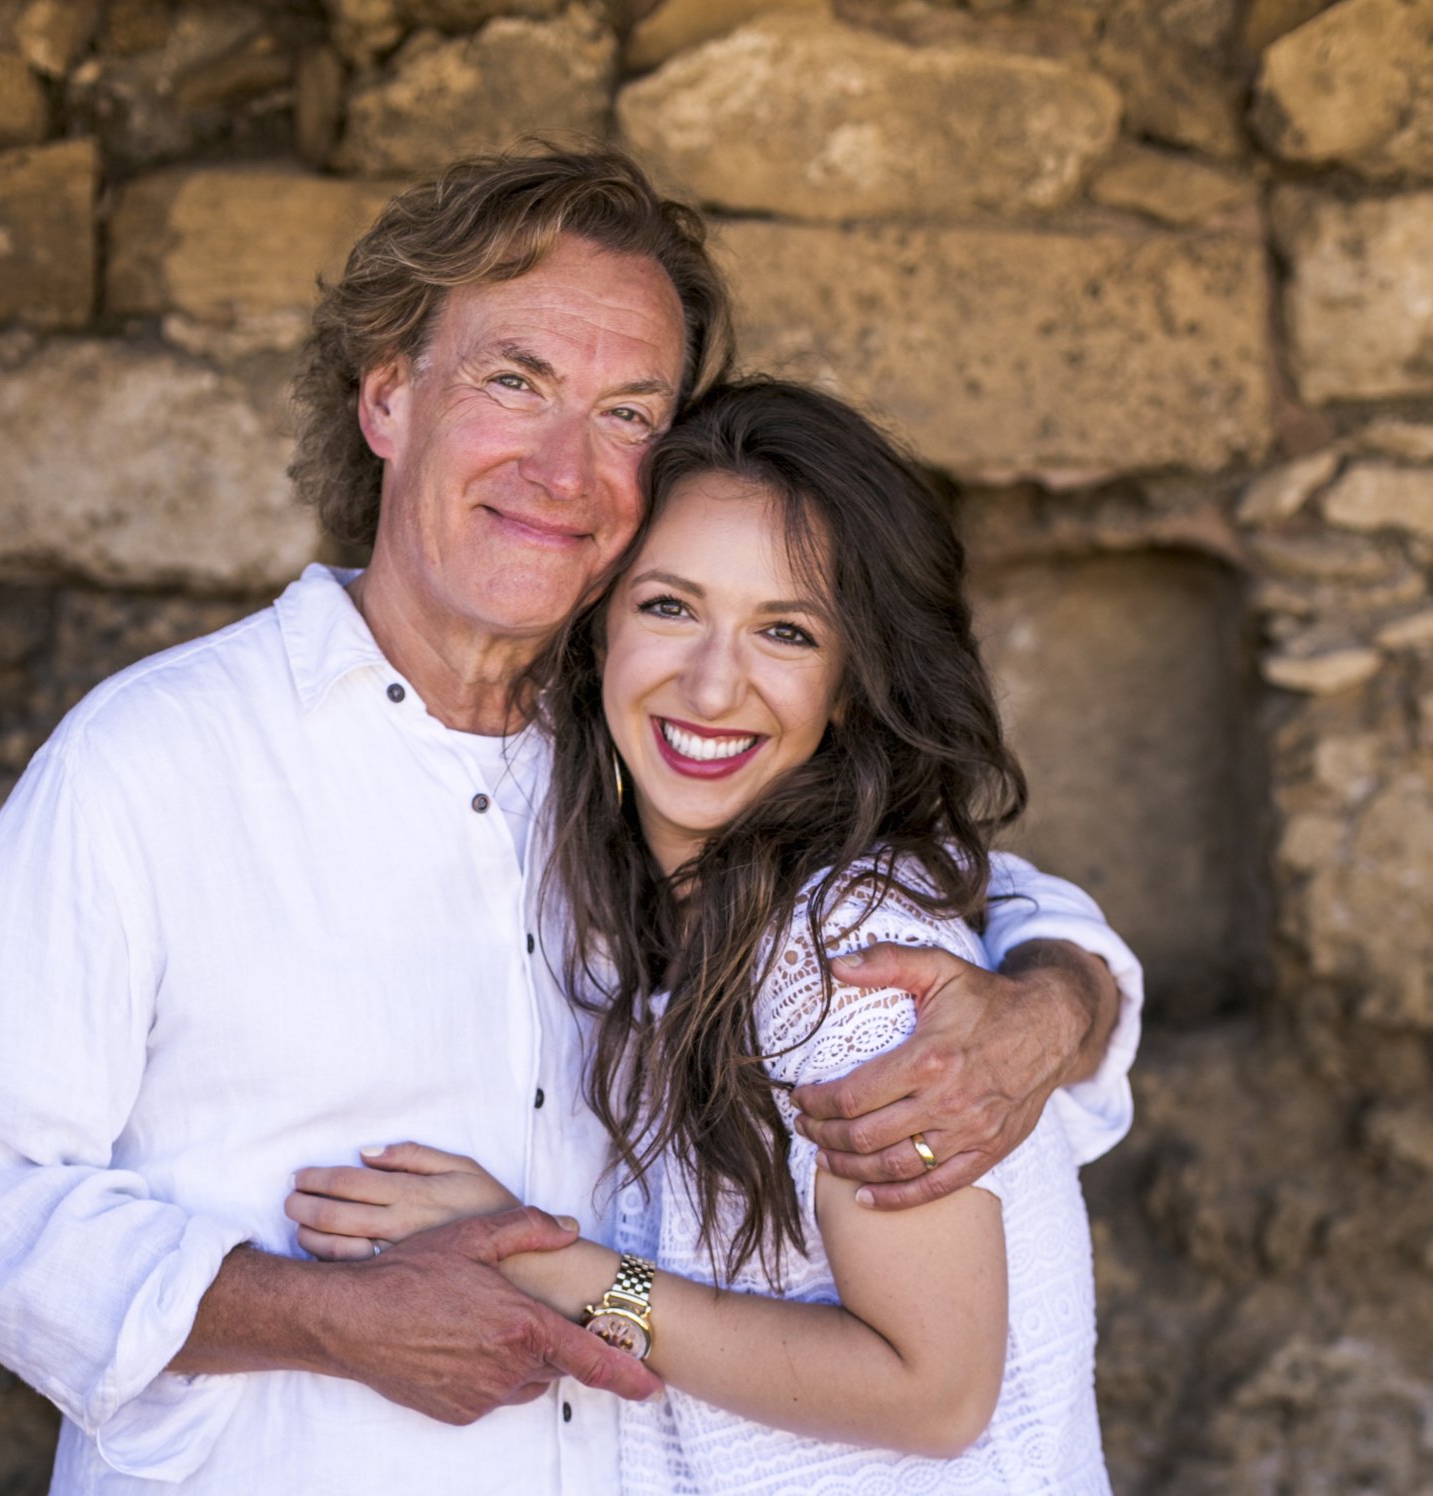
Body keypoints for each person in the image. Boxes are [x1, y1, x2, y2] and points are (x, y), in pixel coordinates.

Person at [0, 148, 1139, 1493]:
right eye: (515, 381)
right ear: (386, 396)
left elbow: (916, 899)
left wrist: (1054, 998)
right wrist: (327, 1318)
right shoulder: (154, 760)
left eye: (625, 412)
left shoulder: (644, 752)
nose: (561, 466)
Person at [288, 379, 1110, 1493]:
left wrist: (539, 1257)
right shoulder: (666, 903)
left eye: (786, 631)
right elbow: (1028, 905)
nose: (713, 685)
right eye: (670, 607)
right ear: (600, 629)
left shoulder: (846, 961)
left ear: (852, 684)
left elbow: (933, 1392)